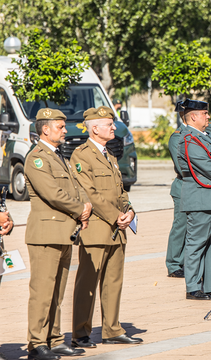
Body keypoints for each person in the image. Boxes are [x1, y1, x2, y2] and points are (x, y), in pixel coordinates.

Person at [71, 106, 140, 348]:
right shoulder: (81, 155)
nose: (113, 127)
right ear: (95, 128)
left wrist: (129, 210)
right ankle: (80, 332)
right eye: (109, 124)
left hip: (117, 229)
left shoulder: (109, 155)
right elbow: (89, 192)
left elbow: (120, 191)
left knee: (114, 282)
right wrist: (116, 216)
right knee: (87, 284)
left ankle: (112, 330)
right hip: (98, 228)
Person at [25, 108, 89, 360]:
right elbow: (53, 193)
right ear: (45, 129)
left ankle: (54, 339)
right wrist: (81, 209)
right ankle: (36, 344)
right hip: (46, 234)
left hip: (63, 232)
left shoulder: (57, 156)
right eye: (60, 127)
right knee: (42, 292)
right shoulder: (37, 158)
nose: (65, 131)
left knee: (57, 293)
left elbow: (76, 186)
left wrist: (86, 205)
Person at [175, 99, 211, 300]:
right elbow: (209, 167)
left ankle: (210, 284)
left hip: (210, 198)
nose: (208, 116)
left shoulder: (206, 136)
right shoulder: (188, 139)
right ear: (193, 116)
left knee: (209, 244)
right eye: (204, 113)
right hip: (200, 197)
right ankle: (192, 286)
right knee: (195, 243)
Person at [165, 102, 187, 278]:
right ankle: (173, 263)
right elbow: (182, 168)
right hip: (184, 186)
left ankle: (186, 261)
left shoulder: (201, 134)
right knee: (181, 226)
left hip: (196, 187)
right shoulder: (177, 137)